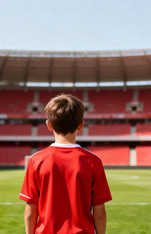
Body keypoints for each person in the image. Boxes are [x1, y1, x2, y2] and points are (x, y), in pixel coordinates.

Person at [19, 94, 112, 234]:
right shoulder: (94, 161)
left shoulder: (35, 160)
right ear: (81, 124)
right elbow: (100, 213)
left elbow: (31, 211)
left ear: (49, 125)